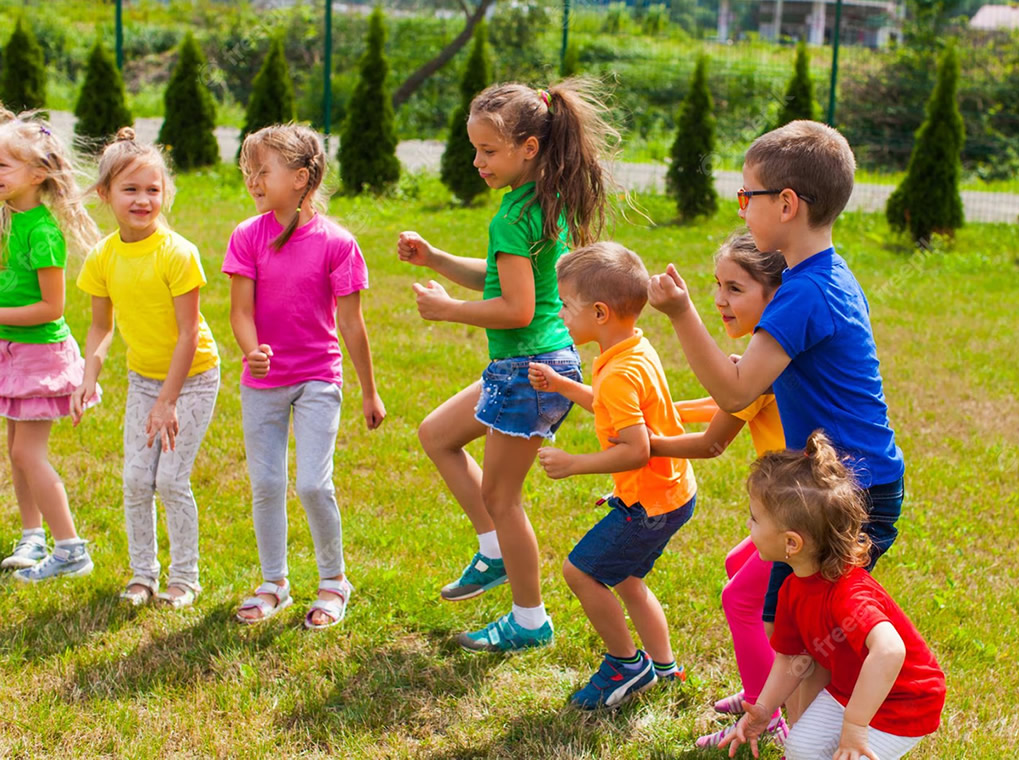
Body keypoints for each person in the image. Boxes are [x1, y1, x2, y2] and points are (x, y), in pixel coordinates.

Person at [648, 121, 906, 716]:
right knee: (797, 633)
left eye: (748, 196)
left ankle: (808, 733)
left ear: (786, 204)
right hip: (843, 483)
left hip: (848, 492)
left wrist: (683, 313)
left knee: (795, 635)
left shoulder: (805, 291)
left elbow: (737, 391)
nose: (742, 209)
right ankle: (797, 723)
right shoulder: (819, 277)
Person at [398, 79, 616, 652]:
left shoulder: (517, 213)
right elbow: (505, 278)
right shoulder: (541, 201)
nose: (477, 162)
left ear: (529, 148)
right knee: (437, 435)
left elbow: (515, 307)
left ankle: (529, 619)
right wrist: (438, 259)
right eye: (475, 150)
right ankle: (493, 554)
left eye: (488, 152)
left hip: (530, 369)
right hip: (531, 364)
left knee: (502, 498)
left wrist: (448, 312)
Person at [226, 124, 385, 629]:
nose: (253, 180)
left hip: (318, 376)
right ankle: (274, 582)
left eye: (262, 171)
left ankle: (334, 581)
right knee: (267, 482)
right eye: (248, 171)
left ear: (300, 178)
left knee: (314, 485)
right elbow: (239, 311)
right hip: (264, 384)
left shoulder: (337, 243)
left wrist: (369, 392)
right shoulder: (246, 236)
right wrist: (252, 352)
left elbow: (351, 323)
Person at [529, 242, 696, 709]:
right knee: (625, 577)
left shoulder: (619, 372)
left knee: (580, 571)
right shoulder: (632, 349)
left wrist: (575, 463)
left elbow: (635, 449)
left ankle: (627, 664)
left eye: (565, 304)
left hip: (649, 503)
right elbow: (614, 409)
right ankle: (665, 668)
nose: (560, 312)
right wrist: (564, 384)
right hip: (670, 493)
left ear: (599, 312)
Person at [721, 431, 944, 760]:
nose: (748, 525)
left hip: (904, 701)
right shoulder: (794, 587)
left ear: (792, 543)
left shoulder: (848, 593)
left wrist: (854, 726)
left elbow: (890, 650)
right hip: (849, 688)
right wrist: (764, 709)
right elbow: (793, 659)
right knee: (799, 749)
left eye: (754, 519)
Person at [648, 231, 789, 747]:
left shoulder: (767, 359)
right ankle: (766, 684)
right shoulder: (764, 349)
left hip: (802, 513)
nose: (719, 301)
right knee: (737, 567)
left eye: (734, 289)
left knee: (740, 600)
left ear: (774, 296)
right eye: (716, 286)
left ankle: (766, 713)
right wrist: (650, 413)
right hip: (790, 503)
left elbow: (712, 442)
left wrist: (645, 446)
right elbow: (720, 407)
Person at [72, 128, 220, 609]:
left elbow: (187, 333)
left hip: (192, 379)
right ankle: (143, 576)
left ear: (165, 193)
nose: (142, 200)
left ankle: (185, 579)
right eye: (130, 190)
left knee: (170, 480)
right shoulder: (102, 256)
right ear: (105, 195)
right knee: (137, 479)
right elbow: (100, 327)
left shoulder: (178, 253)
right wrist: (88, 373)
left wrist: (169, 400)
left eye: (152, 190)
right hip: (143, 380)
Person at [0, 106, 101, 581]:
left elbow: (51, 308)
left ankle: (70, 549)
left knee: (26, 453)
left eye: (2, 166)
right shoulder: (10, 218)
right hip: (13, 351)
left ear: (38, 173)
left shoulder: (42, 230)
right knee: (14, 446)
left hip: (39, 354)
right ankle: (32, 535)